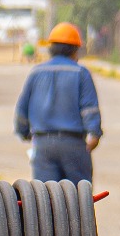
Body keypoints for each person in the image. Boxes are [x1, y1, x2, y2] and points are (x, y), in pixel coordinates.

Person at [15, 20, 102, 183]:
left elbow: (22, 109)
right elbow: (89, 108)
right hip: (74, 145)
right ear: (75, 50)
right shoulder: (81, 73)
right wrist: (94, 134)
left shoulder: (36, 73)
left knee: (45, 200)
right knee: (78, 200)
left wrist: (24, 132)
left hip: (43, 146)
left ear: (51, 49)